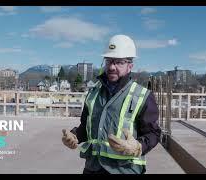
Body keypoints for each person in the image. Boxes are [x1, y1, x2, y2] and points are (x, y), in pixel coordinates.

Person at [62, 34, 161, 174]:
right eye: (109, 61)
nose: (112, 67)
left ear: (130, 66)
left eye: (119, 62)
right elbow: (86, 127)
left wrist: (139, 146)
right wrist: (74, 136)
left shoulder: (142, 96)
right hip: (92, 168)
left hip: (125, 170)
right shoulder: (93, 93)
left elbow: (153, 133)